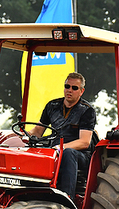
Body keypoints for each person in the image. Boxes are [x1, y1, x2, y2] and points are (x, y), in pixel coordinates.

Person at [29, 72, 96, 200]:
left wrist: (61, 147)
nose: (69, 90)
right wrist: (25, 136)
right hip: (55, 149)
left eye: (74, 88)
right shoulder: (52, 106)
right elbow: (38, 131)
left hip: (79, 155)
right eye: (67, 86)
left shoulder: (87, 111)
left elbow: (84, 142)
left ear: (81, 91)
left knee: (68, 153)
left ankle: (66, 198)